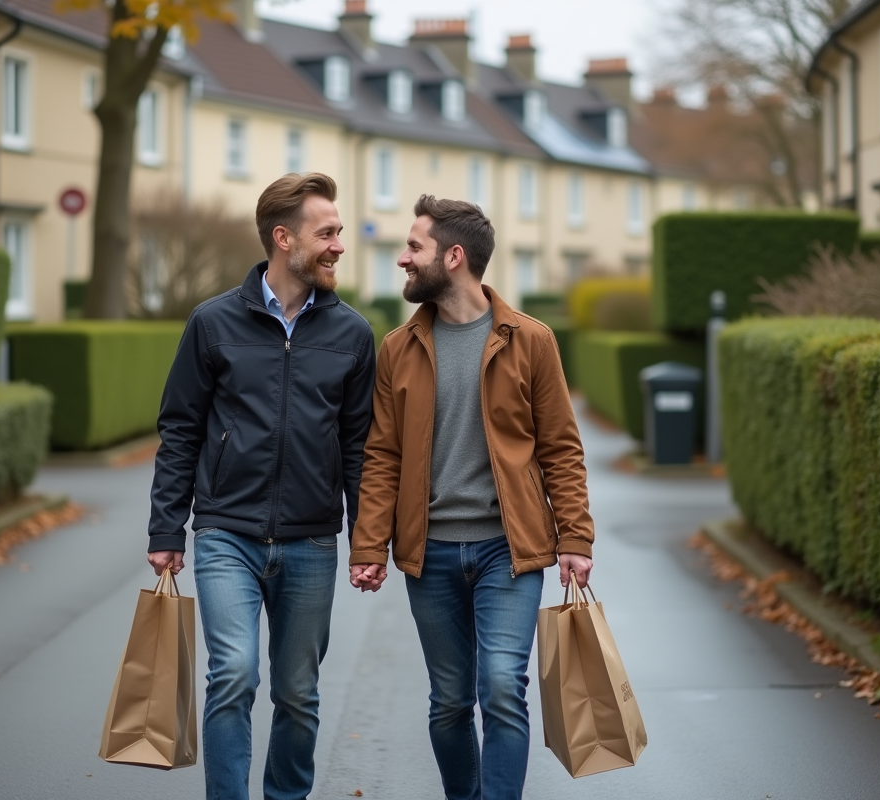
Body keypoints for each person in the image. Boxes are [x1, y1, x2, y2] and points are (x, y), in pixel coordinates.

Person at [349, 195, 595, 800]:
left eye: (414, 247)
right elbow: (382, 455)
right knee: (451, 702)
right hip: (428, 556)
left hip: (507, 551)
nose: (403, 259)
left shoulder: (530, 341)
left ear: (453, 257)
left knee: (503, 686)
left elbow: (560, 448)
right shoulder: (397, 349)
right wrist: (369, 545)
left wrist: (576, 537)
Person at [147, 173, 375, 800]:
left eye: (338, 232)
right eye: (325, 233)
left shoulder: (352, 334)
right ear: (284, 238)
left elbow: (359, 447)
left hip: (310, 543)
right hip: (227, 534)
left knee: (298, 694)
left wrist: (366, 539)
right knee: (234, 675)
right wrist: (168, 528)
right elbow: (181, 429)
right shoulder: (212, 322)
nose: (337, 245)